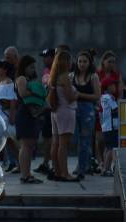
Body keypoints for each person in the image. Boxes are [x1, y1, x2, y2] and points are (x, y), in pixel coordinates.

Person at [48, 51, 78, 182]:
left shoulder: (53, 76)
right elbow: (70, 97)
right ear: (66, 62)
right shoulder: (65, 77)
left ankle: (57, 171)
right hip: (66, 110)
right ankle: (65, 173)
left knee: (56, 143)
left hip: (55, 111)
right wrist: (78, 93)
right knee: (63, 145)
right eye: (70, 60)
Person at [15, 55, 45, 183]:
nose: (33, 69)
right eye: (31, 67)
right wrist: (37, 93)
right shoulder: (21, 78)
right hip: (24, 113)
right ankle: (24, 175)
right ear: (24, 67)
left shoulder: (28, 79)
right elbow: (22, 93)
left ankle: (27, 173)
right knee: (26, 145)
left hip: (31, 114)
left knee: (30, 145)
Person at [72, 50, 101, 180]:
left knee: (85, 140)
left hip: (87, 110)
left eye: (85, 61)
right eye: (80, 61)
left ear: (89, 63)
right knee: (76, 140)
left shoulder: (93, 77)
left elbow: (97, 95)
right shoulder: (71, 76)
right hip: (73, 109)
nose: (82, 64)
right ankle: (85, 164)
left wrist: (80, 95)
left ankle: (81, 169)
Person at [96, 51, 124, 171]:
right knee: (100, 138)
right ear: (103, 62)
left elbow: (121, 93)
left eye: (113, 62)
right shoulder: (97, 74)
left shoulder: (117, 75)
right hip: (100, 109)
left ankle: (106, 163)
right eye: (109, 61)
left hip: (113, 111)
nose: (111, 64)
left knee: (111, 139)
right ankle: (100, 161)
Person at [0, 60, 18, 172]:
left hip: (4, 115)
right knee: (9, 142)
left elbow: (12, 99)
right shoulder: (0, 82)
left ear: (4, 70)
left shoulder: (8, 82)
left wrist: (12, 115)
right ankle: (20, 163)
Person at [35, 48, 56, 175]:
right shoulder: (45, 71)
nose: (43, 59)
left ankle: (53, 164)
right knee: (46, 137)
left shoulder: (57, 71)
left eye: (46, 57)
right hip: (45, 108)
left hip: (53, 108)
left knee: (52, 138)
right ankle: (45, 162)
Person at [100, 78, 119, 177]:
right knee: (111, 148)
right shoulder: (109, 97)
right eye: (113, 85)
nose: (115, 87)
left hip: (106, 126)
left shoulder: (103, 97)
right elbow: (115, 109)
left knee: (107, 148)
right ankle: (106, 169)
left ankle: (104, 168)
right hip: (111, 126)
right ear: (108, 87)